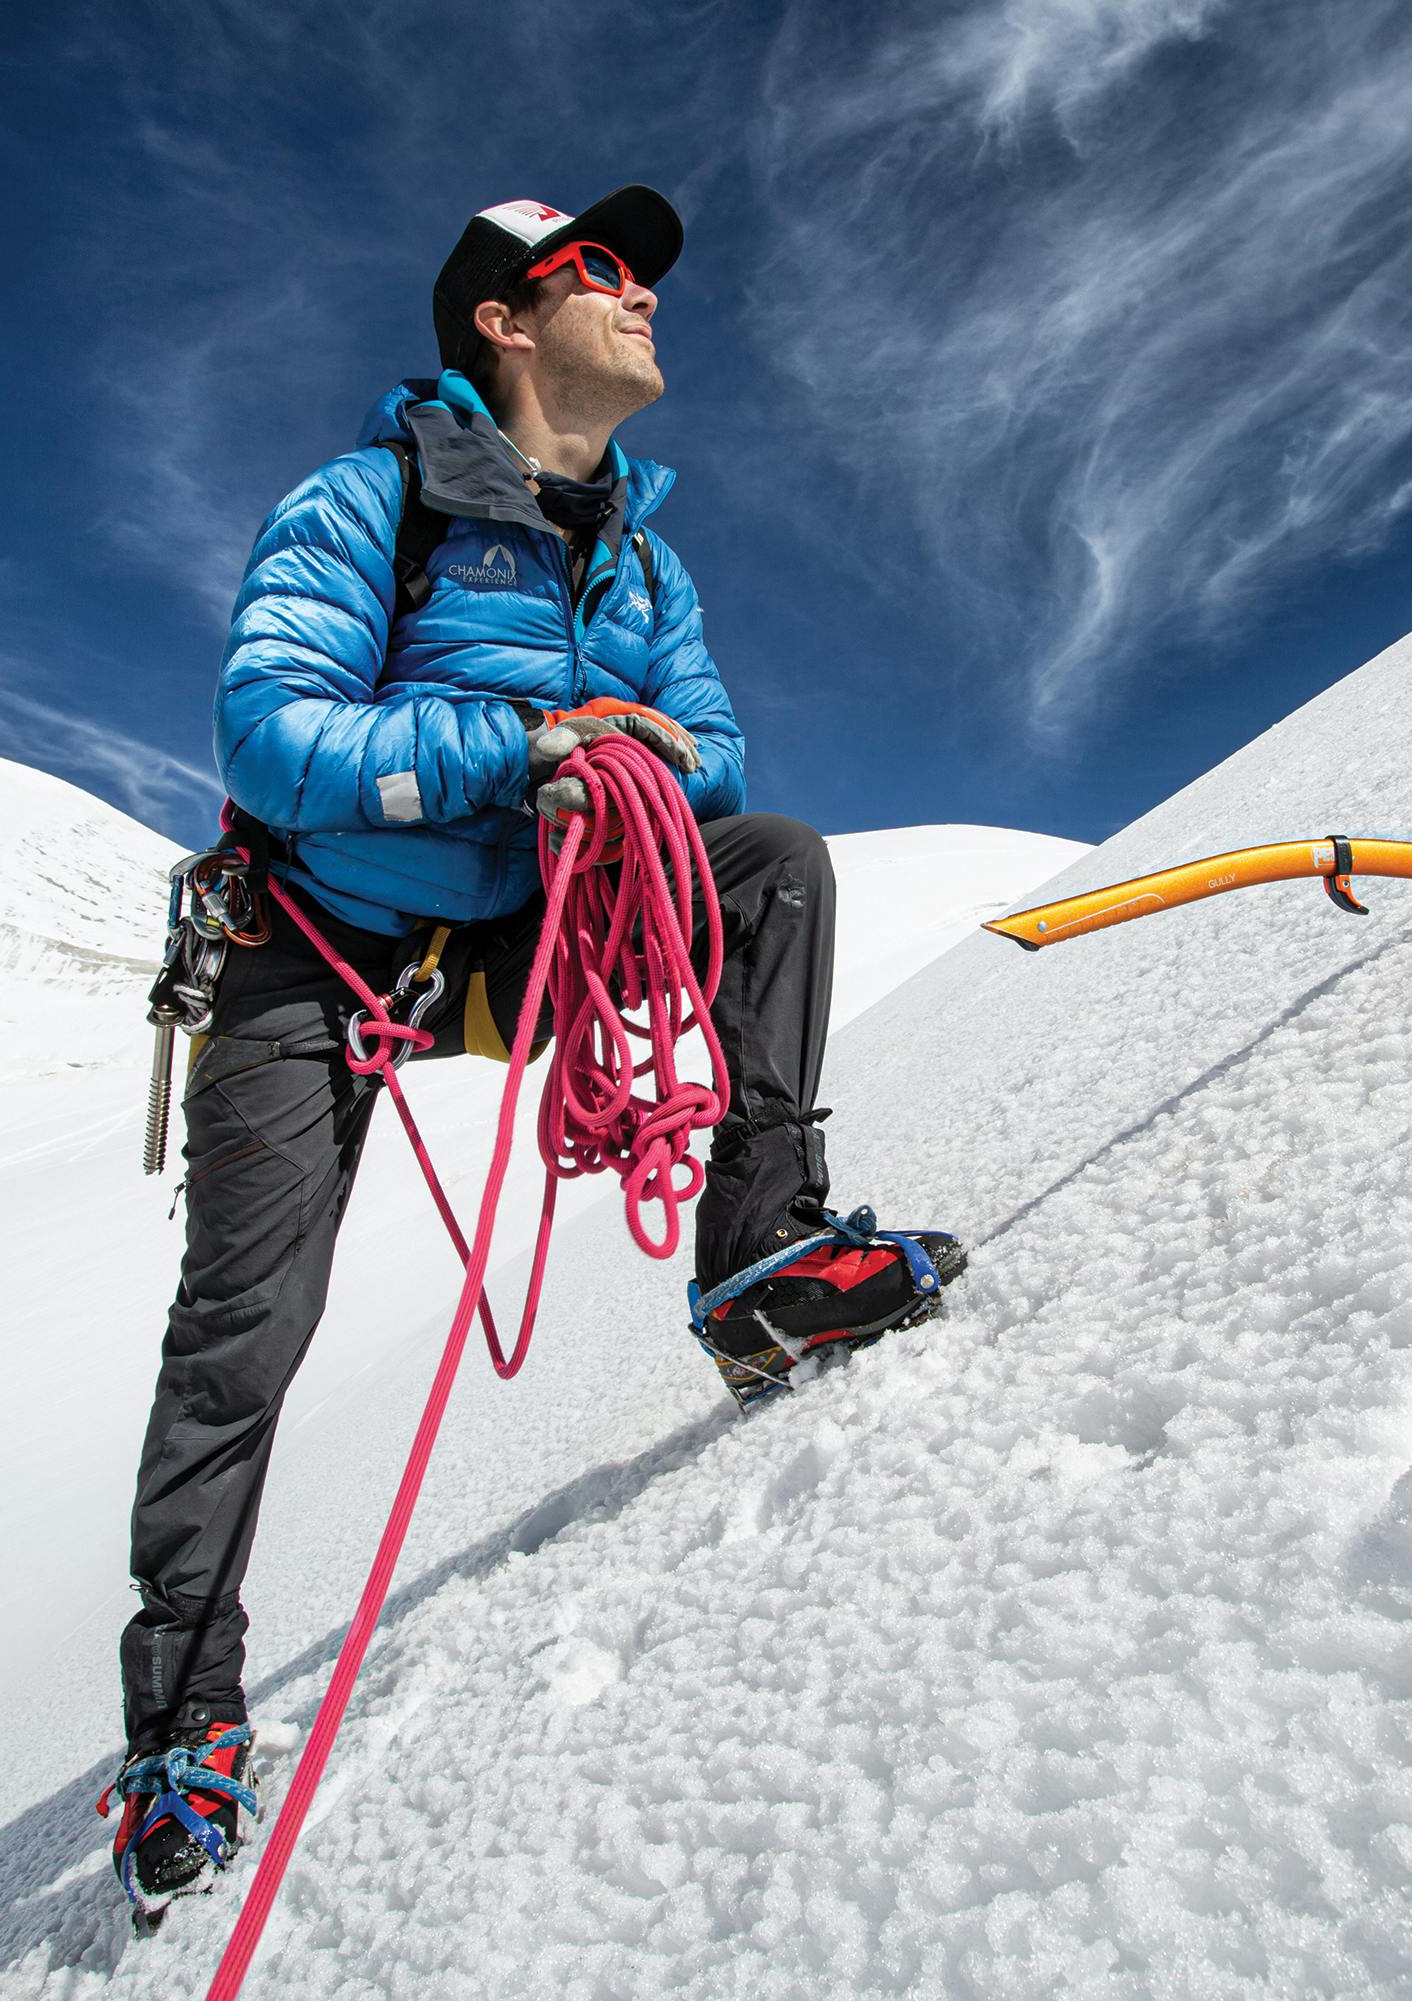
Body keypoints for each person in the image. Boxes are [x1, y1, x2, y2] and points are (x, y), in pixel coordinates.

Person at [100, 185, 963, 1924]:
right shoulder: (371, 502)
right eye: (599, 274)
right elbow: (274, 738)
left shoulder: (642, 556)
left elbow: (709, 753)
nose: (642, 295)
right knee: (243, 1332)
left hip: (531, 932)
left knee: (774, 863)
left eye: (641, 274)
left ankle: (760, 1262)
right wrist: (519, 742)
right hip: (317, 955)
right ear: (502, 318)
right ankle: (181, 1722)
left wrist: (628, 749)